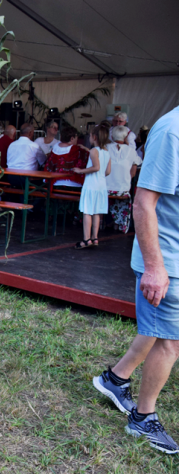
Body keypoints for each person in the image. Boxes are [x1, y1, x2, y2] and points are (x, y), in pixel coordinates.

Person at [92, 105, 179, 455]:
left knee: (159, 329)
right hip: (167, 257)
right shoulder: (172, 131)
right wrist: (156, 267)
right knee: (171, 341)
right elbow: (143, 203)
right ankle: (143, 418)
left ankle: (114, 379)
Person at [72, 124, 111, 249]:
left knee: (87, 211)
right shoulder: (106, 152)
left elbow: (96, 167)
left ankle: (86, 239)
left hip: (91, 184)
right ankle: (95, 237)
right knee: (96, 212)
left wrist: (80, 170)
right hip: (101, 184)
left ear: (94, 137)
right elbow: (107, 171)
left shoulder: (94, 151)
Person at [105, 125, 143, 233]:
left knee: (108, 196)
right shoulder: (132, 151)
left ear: (112, 136)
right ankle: (119, 223)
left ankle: (108, 221)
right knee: (124, 195)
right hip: (123, 189)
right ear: (126, 137)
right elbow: (133, 172)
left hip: (106, 188)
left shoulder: (106, 147)